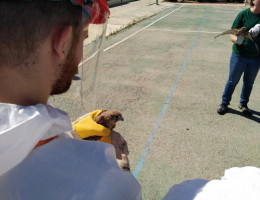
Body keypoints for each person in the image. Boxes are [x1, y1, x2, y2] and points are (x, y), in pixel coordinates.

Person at [0, 1, 141, 199]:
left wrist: (60, 136)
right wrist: (121, 170)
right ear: (62, 43)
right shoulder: (102, 185)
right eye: (83, 38)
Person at [217, 0, 260, 116]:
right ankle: (224, 103)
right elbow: (232, 34)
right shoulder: (243, 14)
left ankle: (243, 104)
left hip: (256, 58)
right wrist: (237, 40)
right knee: (232, 80)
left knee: (249, 83)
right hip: (239, 56)